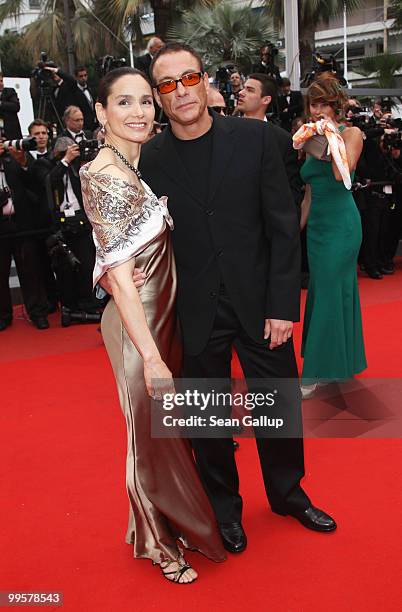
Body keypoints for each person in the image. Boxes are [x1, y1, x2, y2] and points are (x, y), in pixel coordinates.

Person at [138, 42, 336, 554]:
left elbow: (282, 227)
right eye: (166, 84)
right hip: (192, 308)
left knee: (279, 407)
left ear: (205, 81)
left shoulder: (258, 139)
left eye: (188, 79)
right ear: (158, 98)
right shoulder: (149, 159)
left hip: (259, 302)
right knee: (207, 420)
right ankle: (224, 510)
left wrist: (282, 305)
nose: (180, 91)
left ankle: (289, 495)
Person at [80, 67, 226, 583]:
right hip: (138, 328)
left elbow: (116, 253)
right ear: (101, 112)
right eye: (124, 103)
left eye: (145, 101)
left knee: (165, 434)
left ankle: (164, 521)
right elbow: (120, 280)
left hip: (160, 318)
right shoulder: (104, 174)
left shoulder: (132, 165)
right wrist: (152, 357)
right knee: (148, 438)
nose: (139, 111)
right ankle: (160, 545)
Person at [296, 73, 367, 397]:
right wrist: (293, 230)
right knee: (326, 292)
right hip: (318, 228)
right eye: (314, 103)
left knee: (327, 291)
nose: (318, 109)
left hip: (342, 225)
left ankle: (313, 374)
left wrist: (327, 137)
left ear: (336, 104)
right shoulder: (306, 136)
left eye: (324, 102)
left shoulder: (351, 133)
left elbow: (342, 174)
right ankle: (334, 365)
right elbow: (309, 192)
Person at [237, 73, 303, 210]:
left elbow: (290, 192)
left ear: (266, 100)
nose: (241, 93)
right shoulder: (224, 132)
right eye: (243, 88)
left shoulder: (283, 141)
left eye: (249, 90)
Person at [0, 73, 22, 139]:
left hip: (11, 134)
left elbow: (16, 106)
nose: (0, 83)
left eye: (1, 81)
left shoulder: (9, 91)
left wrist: (1, 104)